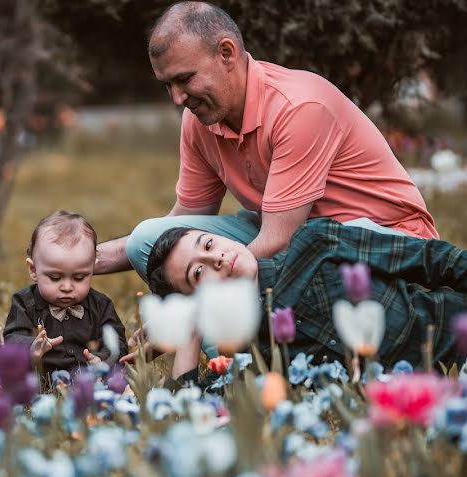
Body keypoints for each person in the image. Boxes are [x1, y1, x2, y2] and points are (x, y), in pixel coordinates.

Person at [94, 1, 438, 375]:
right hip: (297, 241)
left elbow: (276, 240)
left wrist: (186, 311)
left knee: (238, 273)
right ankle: (238, 353)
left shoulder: (299, 106)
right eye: (168, 86)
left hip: (380, 245)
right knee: (149, 239)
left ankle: (256, 353)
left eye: (184, 79)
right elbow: (181, 228)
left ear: (226, 53)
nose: (178, 98)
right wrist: (83, 260)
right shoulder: (200, 122)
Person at [142, 219, 467, 370]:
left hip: (452, 330)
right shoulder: (247, 351)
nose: (216, 258)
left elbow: (427, 259)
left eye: (209, 244)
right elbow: (191, 411)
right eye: (198, 274)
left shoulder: (314, 244)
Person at [3, 211, 128, 375]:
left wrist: (102, 359)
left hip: (88, 380)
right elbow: (12, 338)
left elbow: (117, 341)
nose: (67, 287)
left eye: (79, 277)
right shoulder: (25, 303)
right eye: (55, 278)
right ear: (33, 270)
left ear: (92, 268)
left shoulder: (101, 305)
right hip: (40, 379)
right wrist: (31, 347)